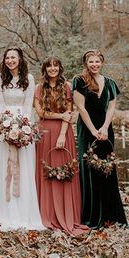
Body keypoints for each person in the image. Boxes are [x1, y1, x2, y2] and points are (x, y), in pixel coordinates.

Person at [34, 57, 89, 236]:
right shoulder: (39, 88)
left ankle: (67, 213)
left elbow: (69, 112)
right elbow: (40, 112)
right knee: (46, 172)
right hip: (44, 133)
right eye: (49, 66)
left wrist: (62, 135)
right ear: (45, 69)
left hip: (62, 134)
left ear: (60, 68)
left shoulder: (66, 86)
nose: (52, 69)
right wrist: (59, 117)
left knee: (64, 172)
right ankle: (47, 213)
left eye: (55, 65)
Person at [0, 47, 44, 230]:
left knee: (24, 167)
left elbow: (29, 104)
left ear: (20, 59)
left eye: (13, 57)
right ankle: (5, 211)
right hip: (4, 124)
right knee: (6, 165)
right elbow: (0, 103)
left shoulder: (28, 78)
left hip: (24, 124)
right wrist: (6, 125)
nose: (10, 60)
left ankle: (24, 211)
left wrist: (23, 128)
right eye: (7, 58)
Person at [73, 49, 127, 228]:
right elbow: (81, 108)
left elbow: (111, 107)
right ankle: (92, 215)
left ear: (102, 62)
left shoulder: (110, 83)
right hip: (87, 129)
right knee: (89, 169)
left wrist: (104, 127)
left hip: (105, 128)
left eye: (97, 62)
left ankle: (110, 215)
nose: (94, 65)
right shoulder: (79, 81)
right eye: (91, 62)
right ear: (86, 63)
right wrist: (94, 130)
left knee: (107, 170)